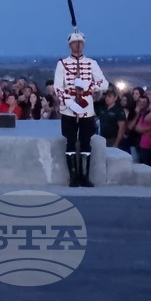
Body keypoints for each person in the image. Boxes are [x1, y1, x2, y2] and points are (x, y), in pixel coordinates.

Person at [54, 29, 107, 187]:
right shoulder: (62, 64)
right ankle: (73, 177)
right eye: (74, 43)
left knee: (86, 142)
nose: (77, 45)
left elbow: (104, 83)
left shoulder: (91, 63)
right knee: (70, 142)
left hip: (86, 109)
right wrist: (70, 103)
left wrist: (86, 85)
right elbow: (58, 87)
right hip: (68, 109)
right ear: (69, 45)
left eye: (80, 43)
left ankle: (84, 177)